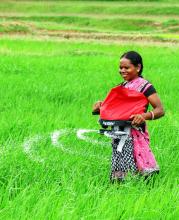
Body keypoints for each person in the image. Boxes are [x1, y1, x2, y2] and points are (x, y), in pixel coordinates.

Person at [93, 51, 165, 182]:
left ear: (138, 67)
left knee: (142, 169)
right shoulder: (121, 87)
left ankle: (145, 192)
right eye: (121, 68)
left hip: (135, 132)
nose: (122, 70)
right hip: (119, 132)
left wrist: (143, 116)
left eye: (127, 67)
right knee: (120, 166)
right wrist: (101, 107)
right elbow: (114, 108)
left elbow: (160, 110)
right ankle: (122, 189)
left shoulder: (145, 86)